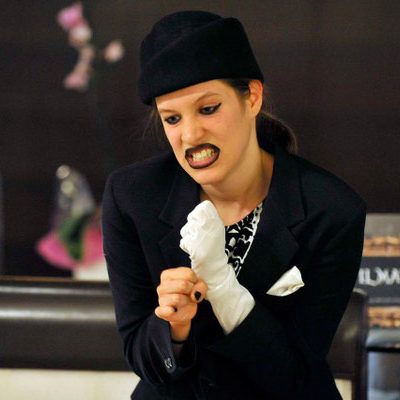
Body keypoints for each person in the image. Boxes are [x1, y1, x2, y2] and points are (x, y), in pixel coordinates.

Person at [102, 10, 366, 400]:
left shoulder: (332, 210)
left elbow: (292, 374)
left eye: (208, 109)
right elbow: (143, 356)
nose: (191, 135)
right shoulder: (131, 196)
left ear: (252, 97)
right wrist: (175, 328)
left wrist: (224, 288)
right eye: (172, 119)